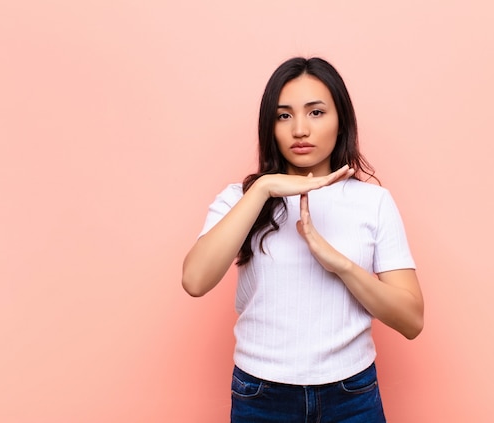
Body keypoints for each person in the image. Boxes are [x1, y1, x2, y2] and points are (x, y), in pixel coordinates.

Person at [182, 57, 424, 422]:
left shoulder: (372, 201)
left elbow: (411, 320)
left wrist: (341, 265)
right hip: (261, 396)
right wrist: (263, 188)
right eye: (284, 116)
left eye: (315, 113)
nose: (299, 130)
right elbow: (195, 281)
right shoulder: (241, 199)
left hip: (351, 395)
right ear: (270, 126)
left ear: (340, 120)